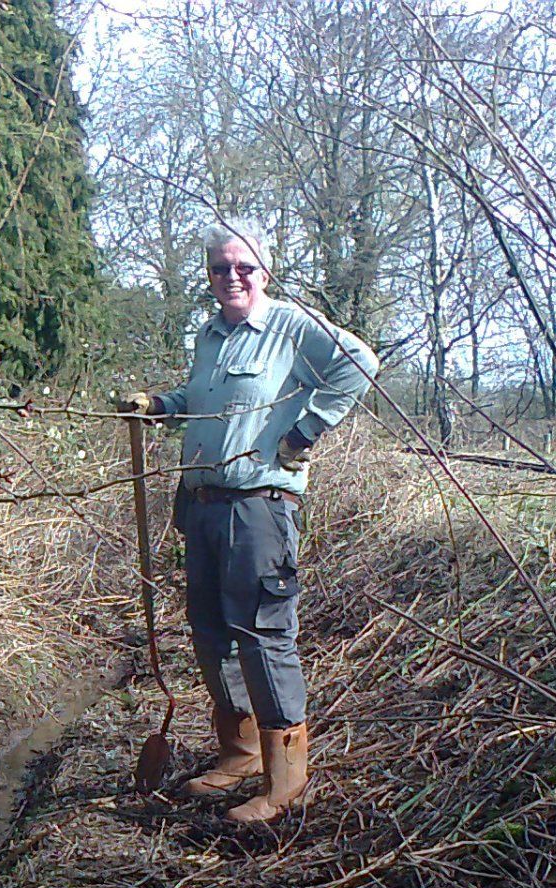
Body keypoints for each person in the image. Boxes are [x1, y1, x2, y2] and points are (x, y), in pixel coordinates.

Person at [124, 218, 379, 824]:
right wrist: (159, 405)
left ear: (265, 270)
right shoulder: (210, 335)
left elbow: (360, 363)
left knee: (263, 633)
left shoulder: (291, 326)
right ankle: (239, 754)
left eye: (243, 267)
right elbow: (204, 403)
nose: (231, 277)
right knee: (211, 631)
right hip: (202, 505)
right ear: (209, 276)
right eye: (220, 268)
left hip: (258, 507)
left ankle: (286, 780)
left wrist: (304, 432)